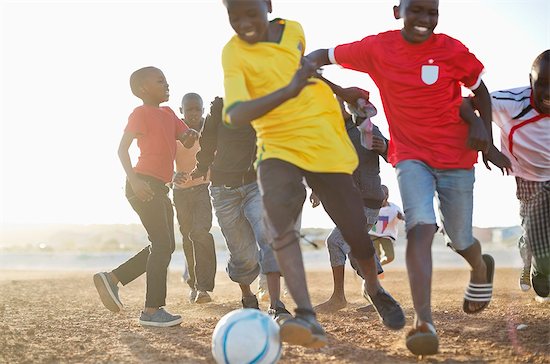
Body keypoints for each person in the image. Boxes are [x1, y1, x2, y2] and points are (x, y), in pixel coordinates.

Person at [306, 0, 511, 355]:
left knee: (460, 237)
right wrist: (318, 74)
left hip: (456, 156)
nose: (425, 19)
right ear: (397, 10)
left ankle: (479, 266)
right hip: (410, 156)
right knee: (420, 226)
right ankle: (423, 321)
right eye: (416, 10)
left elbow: (478, 89)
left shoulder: (451, 50)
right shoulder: (378, 48)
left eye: (432, 12)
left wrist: (487, 140)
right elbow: (323, 55)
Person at [221, 0, 405, 349]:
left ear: (268, 5)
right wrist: (288, 91)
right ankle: (304, 313)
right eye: (234, 16)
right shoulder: (233, 53)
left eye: (250, 12)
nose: (243, 22)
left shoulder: (294, 30)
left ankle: (373, 287)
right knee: (281, 228)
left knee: (356, 232)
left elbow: (306, 72)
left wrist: (341, 92)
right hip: (276, 145)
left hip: (323, 139)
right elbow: (235, 113)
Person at [93, 66, 198, 327]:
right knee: (162, 245)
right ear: (143, 89)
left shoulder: (169, 113)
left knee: (164, 246)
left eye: (166, 80)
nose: (166, 84)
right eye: (159, 81)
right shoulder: (141, 113)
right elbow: (121, 150)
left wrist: (191, 135)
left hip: (161, 186)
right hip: (142, 185)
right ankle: (152, 310)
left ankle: (113, 278)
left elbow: (184, 140)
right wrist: (135, 180)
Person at [190, 96, 291, 322]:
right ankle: (247, 295)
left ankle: (276, 305)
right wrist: (201, 166)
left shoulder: (264, 104)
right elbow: (208, 140)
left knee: (268, 238)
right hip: (223, 191)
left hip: (256, 185)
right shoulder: (220, 106)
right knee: (242, 253)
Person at [473, 50, 549, 302]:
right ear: (531, 81)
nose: (549, 93)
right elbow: (469, 103)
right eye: (543, 85)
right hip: (528, 177)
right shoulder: (510, 102)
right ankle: (531, 258)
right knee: (543, 268)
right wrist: (488, 144)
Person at [312, 97, 388, 313]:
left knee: (335, 241)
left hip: (367, 200)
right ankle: (378, 295)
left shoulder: (367, 129)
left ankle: (338, 298)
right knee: (355, 249)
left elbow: (391, 154)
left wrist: (384, 146)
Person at [173, 92, 216, 304]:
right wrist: (170, 177)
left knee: (201, 233)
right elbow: (165, 158)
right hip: (180, 193)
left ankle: (204, 288)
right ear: (181, 110)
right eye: (188, 109)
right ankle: (193, 284)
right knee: (187, 237)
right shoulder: (175, 132)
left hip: (202, 190)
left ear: (202, 111)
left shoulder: (208, 131)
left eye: (197, 109)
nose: (193, 113)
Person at [370, 185, 405, 268]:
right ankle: (372, 275)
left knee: (390, 257)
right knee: (375, 256)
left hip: (386, 236)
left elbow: (402, 218)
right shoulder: (371, 207)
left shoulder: (394, 209)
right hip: (372, 234)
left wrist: (401, 217)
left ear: (387, 196)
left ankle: (379, 266)